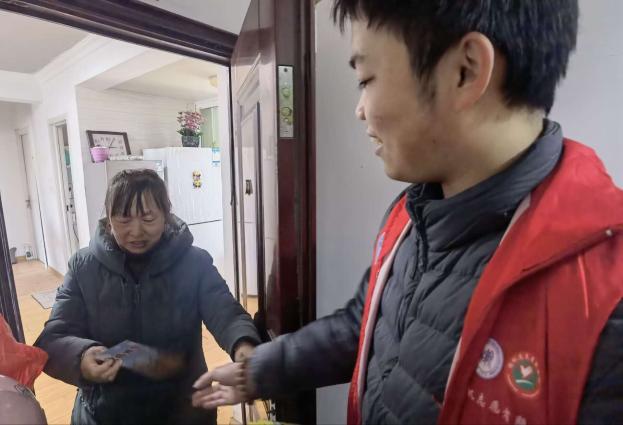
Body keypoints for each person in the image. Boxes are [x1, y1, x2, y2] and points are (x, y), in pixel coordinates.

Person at [192, 0, 623, 424]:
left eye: (366, 78)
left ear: (465, 71)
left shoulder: (606, 296)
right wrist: (258, 371)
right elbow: (362, 325)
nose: (360, 109)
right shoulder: (410, 216)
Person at [35, 169, 261, 425]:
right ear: (108, 220)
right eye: (124, 219)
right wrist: (82, 358)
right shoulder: (83, 267)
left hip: (184, 410)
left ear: (166, 216)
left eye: (148, 218)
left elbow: (226, 312)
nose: (136, 231)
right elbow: (53, 338)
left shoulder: (194, 262)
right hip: (105, 413)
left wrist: (244, 347)